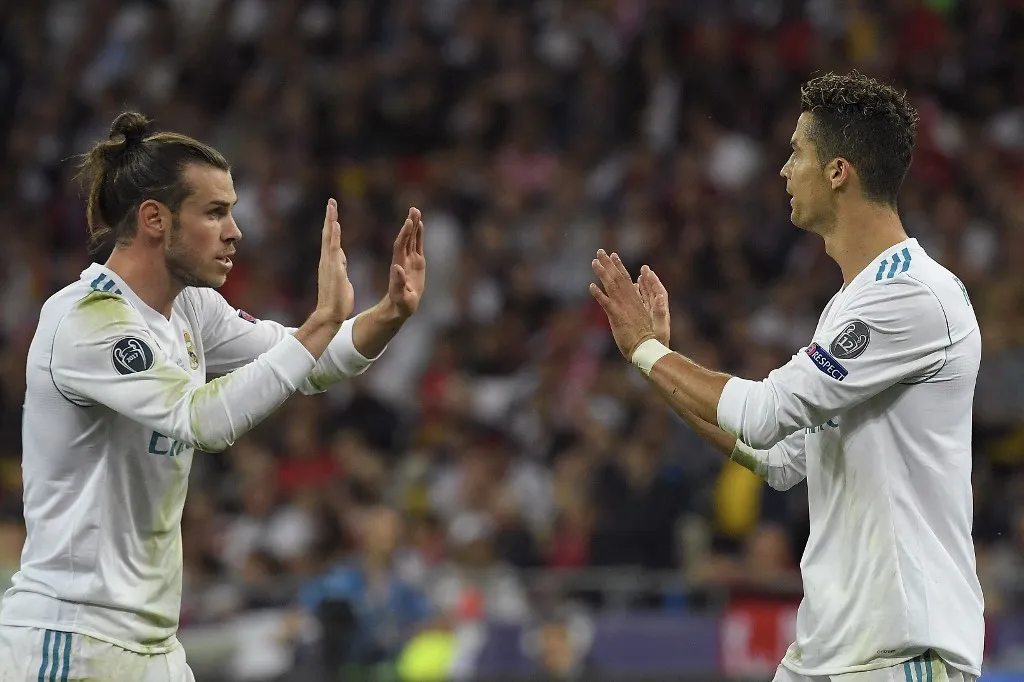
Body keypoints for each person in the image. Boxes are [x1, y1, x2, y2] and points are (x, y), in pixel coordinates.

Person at [0, 111, 427, 681]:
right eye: (215, 212)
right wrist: (318, 325)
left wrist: (388, 314)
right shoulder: (87, 319)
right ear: (155, 218)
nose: (235, 231)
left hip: (154, 646)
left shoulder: (191, 309)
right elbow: (200, 418)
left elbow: (304, 362)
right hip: (71, 639)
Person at [589, 72, 983, 682]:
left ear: (837, 171)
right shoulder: (853, 304)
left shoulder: (911, 295)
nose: (783, 170)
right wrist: (657, 367)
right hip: (830, 652)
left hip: (902, 652)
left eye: (797, 151)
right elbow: (776, 456)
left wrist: (647, 352)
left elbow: (764, 411)